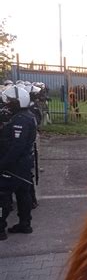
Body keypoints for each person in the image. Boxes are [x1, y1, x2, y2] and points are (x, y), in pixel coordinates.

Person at [0, 86, 37, 240]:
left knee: (3, 196)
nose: (6, 105)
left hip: (14, 166)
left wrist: (2, 165)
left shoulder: (20, 121)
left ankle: (1, 228)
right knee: (24, 194)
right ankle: (25, 223)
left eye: (9, 102)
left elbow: (16, 147)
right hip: (24, 164)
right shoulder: (27, 116)